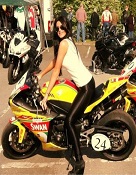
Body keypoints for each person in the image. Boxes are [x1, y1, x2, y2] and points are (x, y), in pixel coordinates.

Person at [37, 16, 95, 175]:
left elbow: (56, 70)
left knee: (69, 121)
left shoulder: (64, 43)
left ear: (67, 27)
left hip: (86, 87)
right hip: (84, 83)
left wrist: (46, 95)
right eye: (57, 28)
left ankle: (79, 163)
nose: (59, 30)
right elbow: (56, 61)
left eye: (62, 27)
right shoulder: (68, 41)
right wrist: (40, 75)